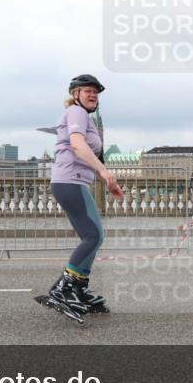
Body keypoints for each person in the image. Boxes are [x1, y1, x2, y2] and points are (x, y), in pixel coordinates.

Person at [36, 74, 124, 324]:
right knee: (93, 236)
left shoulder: (84, 117)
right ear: (75, 94)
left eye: (96, 91)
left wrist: (108, 180)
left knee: (94, 236)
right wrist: (105, 172)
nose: (93, 94)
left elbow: (87, 149)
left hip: (73, 182)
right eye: (87, 90)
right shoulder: (77, 113)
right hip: (70, 181)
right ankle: (63, 288)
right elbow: (77, 146)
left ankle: (78, 288)